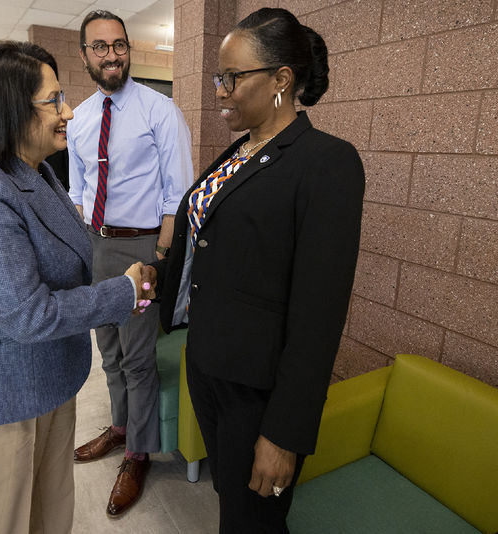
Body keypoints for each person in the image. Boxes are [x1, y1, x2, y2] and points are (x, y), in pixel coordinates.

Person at [143, 8, 365, 533]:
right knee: (233, 501)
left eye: (232, 78)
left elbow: (320, 314)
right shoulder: (239, 153)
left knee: (253, 520)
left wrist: (284, 433)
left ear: (282, 80)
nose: (220, 90)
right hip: (210, 364)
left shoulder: (326, 163)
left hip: (258, 390)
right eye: (220, 77)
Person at [0, 40, 152, 534]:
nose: (69, 112)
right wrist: (123, 292)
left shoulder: (38, 175)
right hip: (3, 400)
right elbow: (27, 314)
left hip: (50, 384)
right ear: (7, 109)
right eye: (53, 100)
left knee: (51, 516)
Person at [67, 10, 193, 518]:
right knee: (110, 350)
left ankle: (139, 453)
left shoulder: (160, 111)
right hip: (97, 245)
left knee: (139, 357)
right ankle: (120, 428)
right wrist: (83, 248)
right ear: (85, 55)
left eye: (119, 44)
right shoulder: (77, 117)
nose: (112, 54)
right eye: (100, 47)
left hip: (142, 247)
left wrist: (160, 255)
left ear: (128, 50)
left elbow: (176, 191)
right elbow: (79, 190)